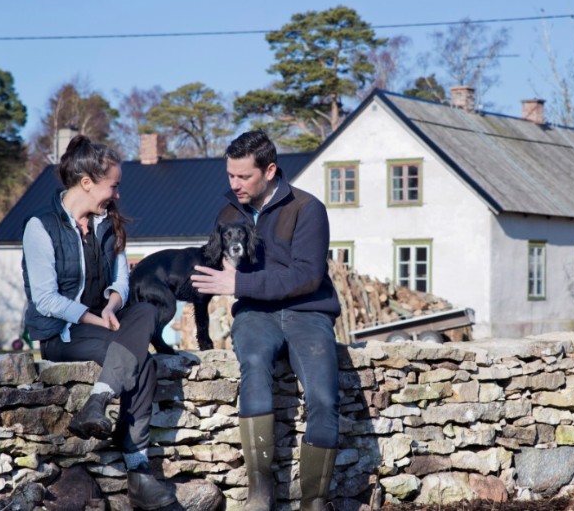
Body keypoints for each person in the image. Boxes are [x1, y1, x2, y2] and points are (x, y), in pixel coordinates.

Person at [21, 135, 221, 511]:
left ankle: (99, 400)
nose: (116, 193)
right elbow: (45, 299)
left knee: (146, 311)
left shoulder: (107, 224)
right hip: (62, 332)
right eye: (113, 185)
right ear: (87, 183)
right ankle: (138, 472)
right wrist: (93, 316)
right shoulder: (40, 227)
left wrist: (112, 305)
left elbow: (122, 281)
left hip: (104, 321)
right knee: (139, 363)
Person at [191, 130, 340, 511]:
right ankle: (260, 493)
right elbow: (212, 262)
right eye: (230, 175)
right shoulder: (228, 213)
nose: (234, 184)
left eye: (244, 177)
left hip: (309, 312)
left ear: (270, 170)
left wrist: (239, 281)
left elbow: (305, 275)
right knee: (254, 366)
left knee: (323, 396)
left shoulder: (308, 208)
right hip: (256, 314)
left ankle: (314, 502)